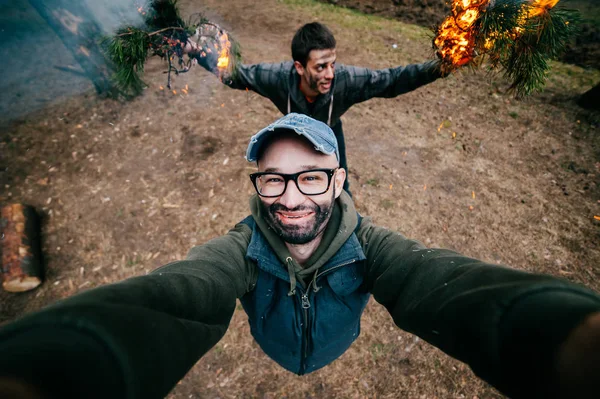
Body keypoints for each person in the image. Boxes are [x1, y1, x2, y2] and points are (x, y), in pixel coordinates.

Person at [1, 113, 600, 399]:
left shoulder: (376, 248)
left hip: (336, 343)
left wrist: (563, 334)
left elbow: (441, 283)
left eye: (310, 178)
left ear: (339, 182)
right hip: (276, 346)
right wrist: (57, 366)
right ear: (258, 185)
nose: (289, 198)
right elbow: (178, 293)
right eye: (273, 180)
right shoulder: (238, 249)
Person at [189, 22, 450, 193]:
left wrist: (439, 68)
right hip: (294, 136)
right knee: (292, 188)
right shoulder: (277, 78)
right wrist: (195, 51)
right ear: (299, 67)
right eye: (320, 67)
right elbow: (236, 75)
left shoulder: (346, 80)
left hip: (330, 132)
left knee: (338, 189)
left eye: (332, 64)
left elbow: (391, 81)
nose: (330, 74)